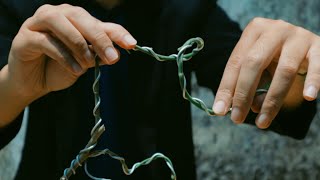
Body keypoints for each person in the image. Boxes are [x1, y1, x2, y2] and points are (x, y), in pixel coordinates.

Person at [0, 0, 318, 179]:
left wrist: (292, 71)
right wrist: (16, 86)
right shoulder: (24, 8)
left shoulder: (189, 9)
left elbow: (264, 95)